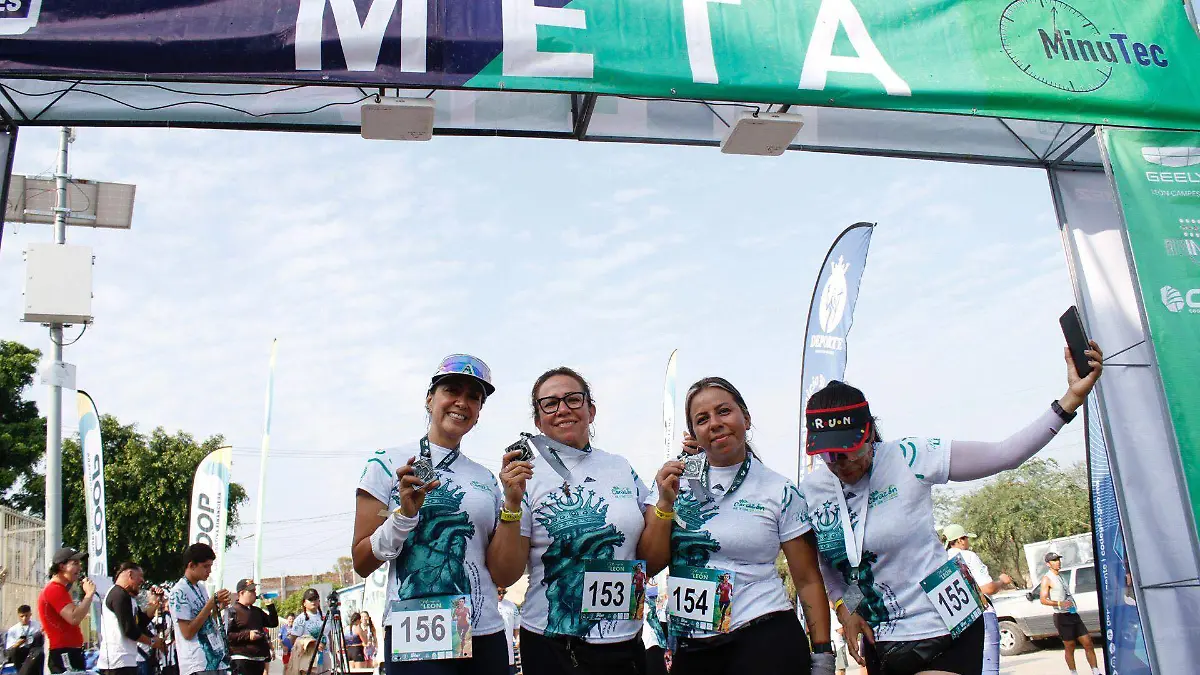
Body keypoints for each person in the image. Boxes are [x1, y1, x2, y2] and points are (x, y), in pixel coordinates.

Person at [802, 338, 1103, 675]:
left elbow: (1006, 454)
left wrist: (1070, 400)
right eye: (828, 454)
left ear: (869, 432)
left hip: (947, 625)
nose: (840, 462)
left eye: (849, 449)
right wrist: (846, 608)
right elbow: (826, 567)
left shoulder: (910, 457)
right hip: (882, 640)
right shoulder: (812, 492)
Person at [638, 377, 833, 675]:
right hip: (693, 647)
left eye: (724, 411)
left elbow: (807, 580)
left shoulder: (779, 489)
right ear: (693, 434)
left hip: (764, 637)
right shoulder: (671, 482)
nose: (714, 423)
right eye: (702, 419)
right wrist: (665, 504)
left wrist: (822, 656)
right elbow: (650, 566)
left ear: (746, 417)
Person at [350, 354, 509, 675]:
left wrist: (514, 508)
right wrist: (404, 517)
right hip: (417, 632)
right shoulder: (386, 463)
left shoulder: (488, 479)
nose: (462, 402)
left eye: (474, 397)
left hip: (484, 631)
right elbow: (361, 562)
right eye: (452, 390)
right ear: (429, 399)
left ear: (479, 413)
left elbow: (498, 567)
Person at [487, 367, 650, 675]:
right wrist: (511, 501)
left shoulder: (620, 467)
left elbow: (650, 545)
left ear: (591, 410)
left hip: (625, 641)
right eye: (549, 403)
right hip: (554, 645)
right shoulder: (524, 474)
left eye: (573, 399)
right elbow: (504, 574)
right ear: (537, 421)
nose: (562, 409)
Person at [943, 525, 1013, 675]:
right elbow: (987, 588)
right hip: (981, 614)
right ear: (960, 540)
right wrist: (1001, 581)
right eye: (966, 538)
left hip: (957, 621)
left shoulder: (942, 560)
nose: (968, 542)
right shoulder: (968, 556)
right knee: (988, 668)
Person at [168, 543, 232, 675]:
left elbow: (207, 622)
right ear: (191, 565)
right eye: (205, 566)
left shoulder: (201, 588)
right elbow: (187, 632)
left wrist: (217, 608)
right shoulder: (179, 592)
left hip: (216, 659)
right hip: (197, 663)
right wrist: (210, 604)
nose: (209, 571)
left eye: (210, 566)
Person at [1040, 552, 1101, 675]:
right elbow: (1043, 599)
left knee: (1088, 642)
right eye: (1054, 560)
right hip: (1061, 616)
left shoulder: (1060, 576)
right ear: (1048, 564)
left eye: (1058, 559)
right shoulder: (1047, 578)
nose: (1057, 562)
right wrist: (1059, 604)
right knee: (1070, 646)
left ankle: (1096, 671)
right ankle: (1073, 672)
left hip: (1073, 614)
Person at [37, 546, 96, 673]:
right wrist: (89, 595)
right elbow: (74, 618)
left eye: (79, 564)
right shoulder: (54, 589)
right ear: (62, 566)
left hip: (70, 650)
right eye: (75, 563)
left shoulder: (60, 589)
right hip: (64, 651)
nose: (79, 568)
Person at [98, 562, 163, 675]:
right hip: (116, 664)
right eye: (140, 576)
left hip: (126, 662)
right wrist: (152, 642)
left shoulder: (128, 598)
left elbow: (141, 621)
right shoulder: (118, 595)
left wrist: (156, 602)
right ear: (130, 574)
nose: (142, 581)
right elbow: (129, 630)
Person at [225, 579, 278, 675]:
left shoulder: (257, 611)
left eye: (255, 590)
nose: (255, 593)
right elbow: (227, 636)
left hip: (258, 660)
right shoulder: (232, 611)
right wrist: (248, 635)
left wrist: (270, 606)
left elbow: (273, 623)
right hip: (241, 660)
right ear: (241, 593)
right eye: (251, 591)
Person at [288, 589, 336, 675]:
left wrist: (334, 654)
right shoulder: (300, 619)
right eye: (310, 599)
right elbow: (294, 640)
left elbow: (329, 635)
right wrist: (311, 643)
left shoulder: (326, 616)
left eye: (315, 598)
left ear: (319, 601)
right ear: (304, 603)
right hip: (308, 657)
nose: (313, 601)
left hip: (324, 654)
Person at [4, 604, 42, 673]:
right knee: (14, 650)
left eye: (26, 616)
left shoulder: (37, 625)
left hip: (33, 651)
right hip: (20, 651)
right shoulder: (13, 629)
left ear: (30, 614)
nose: (24, 618)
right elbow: (10, 648)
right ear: (18, 616)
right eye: (22, 616)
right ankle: (21, 671)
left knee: (38, 651)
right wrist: (20, 642)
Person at [495, 589, 519, 675]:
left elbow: (516, 626)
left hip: (509, 655)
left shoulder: (512, 606)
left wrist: (517, 640)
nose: (501, 595)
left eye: (504, 593)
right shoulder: (486, 605)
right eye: (498, 592)